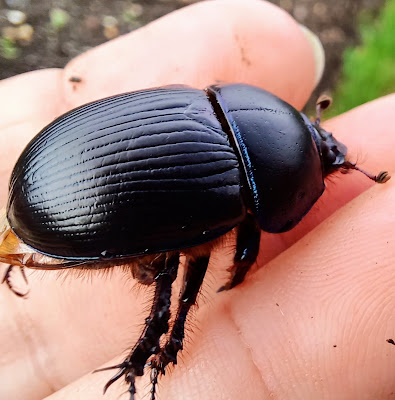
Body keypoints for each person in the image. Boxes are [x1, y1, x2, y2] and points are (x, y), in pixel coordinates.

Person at [0, 1, 393, 399]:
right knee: (173, 283)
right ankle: (154, 354)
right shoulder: (230, 194)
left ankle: (152, 354)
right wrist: (241, 277)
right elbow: (244, 251)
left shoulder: (201, 104)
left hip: (50, 168)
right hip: (64, 205)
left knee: (171, 270)